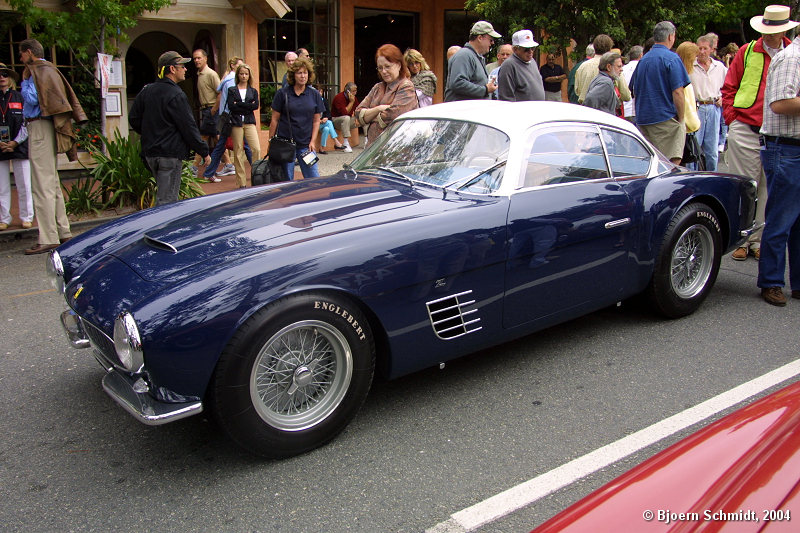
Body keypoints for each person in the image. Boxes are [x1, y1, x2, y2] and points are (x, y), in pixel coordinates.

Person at [724, 6, 795, 263]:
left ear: (784, 31)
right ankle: (741, 240)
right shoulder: (747, 51)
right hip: (746, 128)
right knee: (745, 187)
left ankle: (757, 241)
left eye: (773, 32)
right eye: (766, 31)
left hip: (776, 133)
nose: (768, 36)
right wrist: (732, 119)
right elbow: (729, 87)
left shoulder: (792, 55)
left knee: (767, 191)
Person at [19, 38, 86, 255]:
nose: (21, 59)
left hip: (39, 126)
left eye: (22, 55)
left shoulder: (37, 71)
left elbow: (31, 100)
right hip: (49, 126)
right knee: (52, 182)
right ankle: (62, 231)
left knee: (42, 183)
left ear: (29, 53)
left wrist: (24, 81)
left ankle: (48, 236)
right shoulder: (50, 70)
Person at [757, 13, 800, 306]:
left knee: (794, 220)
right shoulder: (792, 58)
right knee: (782, 218)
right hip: (785, 148)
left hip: (790, 147)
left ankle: (794, 282)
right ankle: (771, 281)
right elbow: (780, 104)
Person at [130, 51, 210, 206]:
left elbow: (134, 118)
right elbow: (188, 126)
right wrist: (204, 151)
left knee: (164, 195)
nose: (186, 69)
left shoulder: (147, 91)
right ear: (172, 69)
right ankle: (162, 230)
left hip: (151, 154)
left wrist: (150, 133)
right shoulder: (176, 94)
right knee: (167, 203)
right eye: (182, 66)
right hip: (169, 155)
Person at [630, 21, 690, 165]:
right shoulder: (672, 58)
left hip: (644, 119)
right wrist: (681, 118)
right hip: (665, 118)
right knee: (671, 163)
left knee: (650, 164)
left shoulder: (643, 60)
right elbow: (678, 92)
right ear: (670, 37)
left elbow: (633, 90)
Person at [269, 56, 324, 180]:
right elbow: (274, 119)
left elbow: (316, 121)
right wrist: (271, 141)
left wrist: (313, 141)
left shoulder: (314, 94)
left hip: (306, 146)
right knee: (287, 181)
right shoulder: (283, 94)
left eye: (305, 73)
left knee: (314, 179)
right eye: (299, 73)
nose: (303, 76)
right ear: (293, 75)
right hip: (286, 144)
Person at [355, 44, 418, 145]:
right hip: (374, 149)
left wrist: (368, 117)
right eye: (380, 68)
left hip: (398, 150)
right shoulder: (377, 87)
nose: (383, 71)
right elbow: (358, 113)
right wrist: (379, 109)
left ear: (399, 65)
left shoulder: (406, 86)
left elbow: (393, 116)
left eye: (387, 66)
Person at [0, 63, 33, 231]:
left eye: (5, 74)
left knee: (24, 184)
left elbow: (27, 122)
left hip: (19, 145)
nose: (2, 77)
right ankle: (4, 218)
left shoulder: (20, 97)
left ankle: (27, 217)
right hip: (0, 147)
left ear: (10, 77)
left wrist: (15, 142)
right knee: (1, 186)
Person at [202, 56, 246, 182]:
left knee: (222, 144)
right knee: (246, 144)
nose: (242, 71)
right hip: (232, 117)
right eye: (240, 66)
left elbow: (220, 92)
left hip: (226, 116)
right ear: (233, 66)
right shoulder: (233, 79)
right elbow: (230, 97)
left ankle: (209, 171)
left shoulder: (226, 78)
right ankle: (257, 169)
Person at [690, 34, 726, 171]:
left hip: (713, 108)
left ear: (711, 49)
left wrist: (722, 98)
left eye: (705, 48)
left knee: (712, 150)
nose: (702, 52)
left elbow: (728, 87)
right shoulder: (690, 67)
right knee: (694, 148)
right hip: (697, 108)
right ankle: (691, 177)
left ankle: (712, 177)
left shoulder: (719, 67)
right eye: (699, 48)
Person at [444, 21, 501, 102]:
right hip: (461, 112)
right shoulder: (464, 55)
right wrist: (485, 90)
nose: (492, 43)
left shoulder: (475, 56)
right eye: (490, 39)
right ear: (480, 38)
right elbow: (458, 83)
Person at [227, 63, 260, 188]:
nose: (244, 76)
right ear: (238, 75)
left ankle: (256, 175)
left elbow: (255, 106)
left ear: (249, 75)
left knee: (256, 148)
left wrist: (239, 104)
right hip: (236, 123)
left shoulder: (253, 91)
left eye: (246, 74)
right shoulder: (232, 90)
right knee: (238, 151)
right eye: (241, 73)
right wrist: (247, 105)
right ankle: (241, 182)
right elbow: (231, 106)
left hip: (249, 122)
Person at [192, 48, 220, 177]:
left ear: (205, 58)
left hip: (211, 108)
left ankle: (194, 166)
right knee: (217, 138)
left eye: (199, 58)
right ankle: (229, 164)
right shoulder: (199, 74)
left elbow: (220, 92)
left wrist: (213, 110)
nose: (196, 60)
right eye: (195, 58)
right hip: (205, 109)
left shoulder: (211, 74)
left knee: (203, 137)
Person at [497, 29, 545, 102]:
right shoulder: (509, 65)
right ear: (515, 49)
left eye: (532, 48)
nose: (530, 52)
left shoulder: (532, 61)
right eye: (526, 49)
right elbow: (506, 98)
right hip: (521, 112)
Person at [676, 41, 702, 167]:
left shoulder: (678, 74)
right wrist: (695, 123)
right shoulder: (682, 77)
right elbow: (685, 104)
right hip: (685, 127)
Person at [575, 34, 614, 104]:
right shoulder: (612, 66)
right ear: (609, 49)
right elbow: (626, 94)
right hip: (603, 109)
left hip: (584, 107)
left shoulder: (582, 66)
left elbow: (577, 90)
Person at [316, 85, 346, 154]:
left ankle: (322, 148)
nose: (319, 93)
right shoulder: (312, 102)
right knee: (329, 123)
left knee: (327, 129)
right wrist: (319, 120)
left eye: (321, 91)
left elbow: (328, 113)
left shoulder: (324, 101)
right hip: (315, 124)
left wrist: (325, 118)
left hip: (322, 124)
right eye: (318, 91)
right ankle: (336, 142)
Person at [331, 82, 358, 152]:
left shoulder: (354, 98)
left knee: (364, 117)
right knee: (346, 117)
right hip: (336, 121)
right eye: (353, 91)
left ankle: (367, 140)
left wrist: (357, 117)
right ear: (347, 91)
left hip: (347, 121)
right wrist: (351, 102)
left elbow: (358, 109)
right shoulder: (338, 98)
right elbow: (344, 113)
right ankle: (346, 143)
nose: (355, 93)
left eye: (356, 90)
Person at [621, 46, 643, 123]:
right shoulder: (642, 68)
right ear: (641, 55)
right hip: (636, 109)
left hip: (624, 109)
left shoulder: (622, 69)